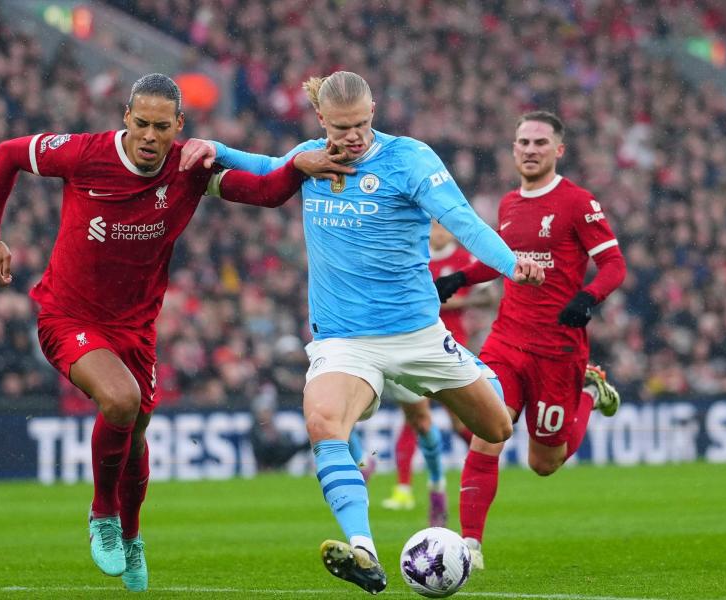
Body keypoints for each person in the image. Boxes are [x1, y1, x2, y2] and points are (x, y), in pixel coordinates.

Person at [0, 73, 353, 592]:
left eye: (162, 127)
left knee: (134, 441)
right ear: (126, 118)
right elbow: (7, 154)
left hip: (137, 328)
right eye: (142, 124)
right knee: (121, 401)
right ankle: (102, 515)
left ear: (180, 125)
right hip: (68, 316)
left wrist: (299, 167)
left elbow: (264, 193)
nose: (151, 137)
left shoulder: (189, 167)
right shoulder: (85, 154)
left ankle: (132, 537)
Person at [179, 71, 545, 594]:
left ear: (374, 110)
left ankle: (474, 369)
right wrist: (211, 146)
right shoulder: (311, 158)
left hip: (417, 335)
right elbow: (264, 168)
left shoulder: (410, 160)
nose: (353, 137)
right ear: (321, 119)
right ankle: (364, 552)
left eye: (362, 125)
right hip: (344, 340)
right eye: (342, 127)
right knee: (323, 421)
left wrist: (512, 264)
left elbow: (461, 221)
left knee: (497, 425)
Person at [434, 111, 627, 570]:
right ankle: (470, 546)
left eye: (540, 142)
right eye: (523, 142)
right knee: (486, 434)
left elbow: (615, 265)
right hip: (506, 340)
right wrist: (459, 277)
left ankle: (586, 394)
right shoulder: (508, 205)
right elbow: (500, 260)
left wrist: (587, 298)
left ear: (558, 150)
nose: (530, 149)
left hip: (558, 349)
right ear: (513, 149)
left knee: (545, 462)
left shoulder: (578, 202)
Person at [380, 221, 497, 526]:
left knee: (460, 421)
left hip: (453, 348)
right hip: (417, 349)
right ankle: (405, 487)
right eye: (434, 226)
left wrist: (460, 300)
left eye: (444, 226)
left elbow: (491, 297)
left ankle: (485, 460)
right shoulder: (416, 255)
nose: (440, 232)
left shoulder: (464, 261)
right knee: (415, 418)